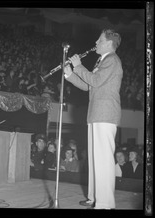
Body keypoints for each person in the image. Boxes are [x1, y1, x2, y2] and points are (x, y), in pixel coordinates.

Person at [64, 29, 122, 209]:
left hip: (105, 115)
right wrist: (70, 74)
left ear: (108, 43)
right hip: (96, 114)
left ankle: (105, 203)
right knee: (95, 159)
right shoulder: (102, 60)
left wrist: (79, 66)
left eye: (99, 40)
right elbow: (89, 86)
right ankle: (94, 197)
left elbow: (95, 81)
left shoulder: (112, 60)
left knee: (103, 160)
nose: (96, 42)